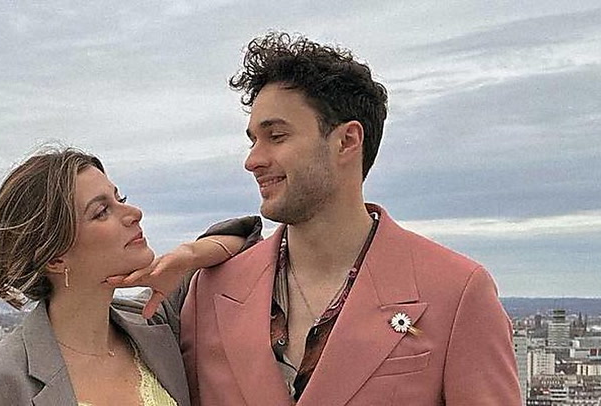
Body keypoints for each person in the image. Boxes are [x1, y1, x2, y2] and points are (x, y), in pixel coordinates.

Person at [180, 32, 522, 405]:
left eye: (276, 136)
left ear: (347, 141)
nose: (253, 160)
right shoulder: (210, 291)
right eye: (253, 141)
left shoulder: (457, 293)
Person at [0, 147, 259, 406]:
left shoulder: (155, 320)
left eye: (120, 199)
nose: (134, 213)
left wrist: (185, 257)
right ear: (55, 257)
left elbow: (246, 243)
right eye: (101, 211)